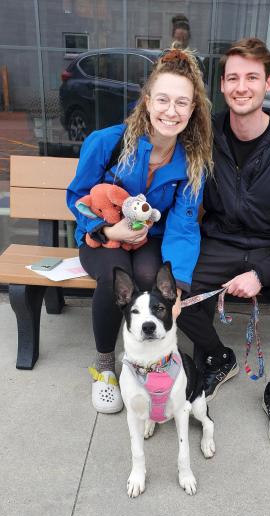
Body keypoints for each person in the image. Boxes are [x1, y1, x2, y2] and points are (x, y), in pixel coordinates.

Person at [177, 38, 270, 451]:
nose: (242, 87)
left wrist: (262, 273)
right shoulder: (204, 134)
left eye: (252, 77)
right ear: (222, 85)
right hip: (219, 240)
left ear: (268, 84)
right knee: (174, 291)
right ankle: (217, 356)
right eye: (233, 77)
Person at [67, 46, 212, 414]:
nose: (171, 111)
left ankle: (147, 359)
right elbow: (78, 197)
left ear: (192, 109)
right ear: (147, 101)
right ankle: (105, 366)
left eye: (182, 102)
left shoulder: (192, 163)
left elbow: (182, 227)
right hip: (102, 236)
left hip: (150, 239)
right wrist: (108, 231)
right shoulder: (107, 142)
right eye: (163, 99)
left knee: (150, 274)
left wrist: (178, 285)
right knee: (116, 277)